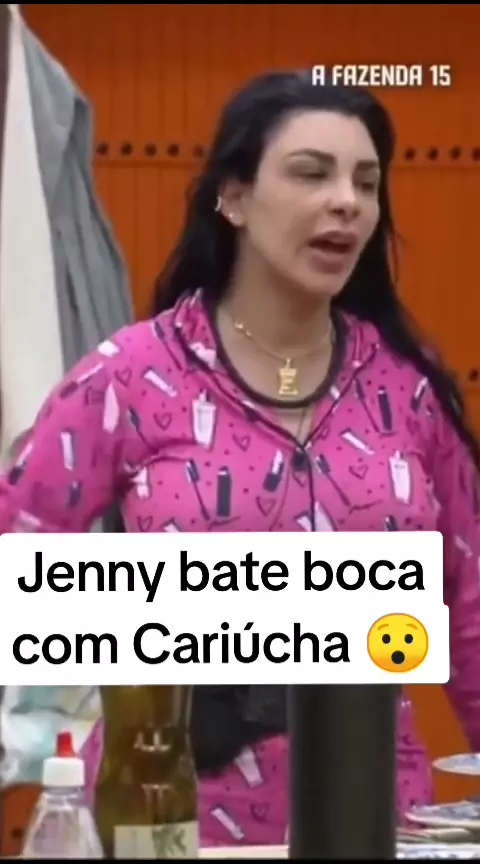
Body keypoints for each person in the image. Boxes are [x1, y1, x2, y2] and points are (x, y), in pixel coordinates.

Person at [1, 69, 480, 847]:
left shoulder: (410, 387)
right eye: (311, 174)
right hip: (168, 817)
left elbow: (472, 612)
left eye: (366, 183)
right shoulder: (131, 375)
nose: (347, 202)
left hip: (376, 820)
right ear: (233, 197)